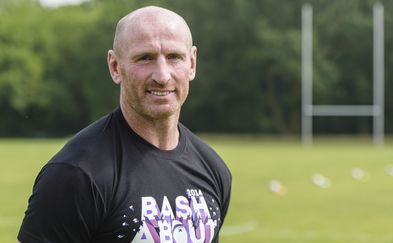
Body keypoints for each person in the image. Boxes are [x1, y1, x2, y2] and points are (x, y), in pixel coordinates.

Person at [17, 6, 232, 243]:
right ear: (115, 67)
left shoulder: (213, 169)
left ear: (192, 63)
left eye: (174, 57)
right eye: (145, 58)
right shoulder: (76, 174)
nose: (162, 76)